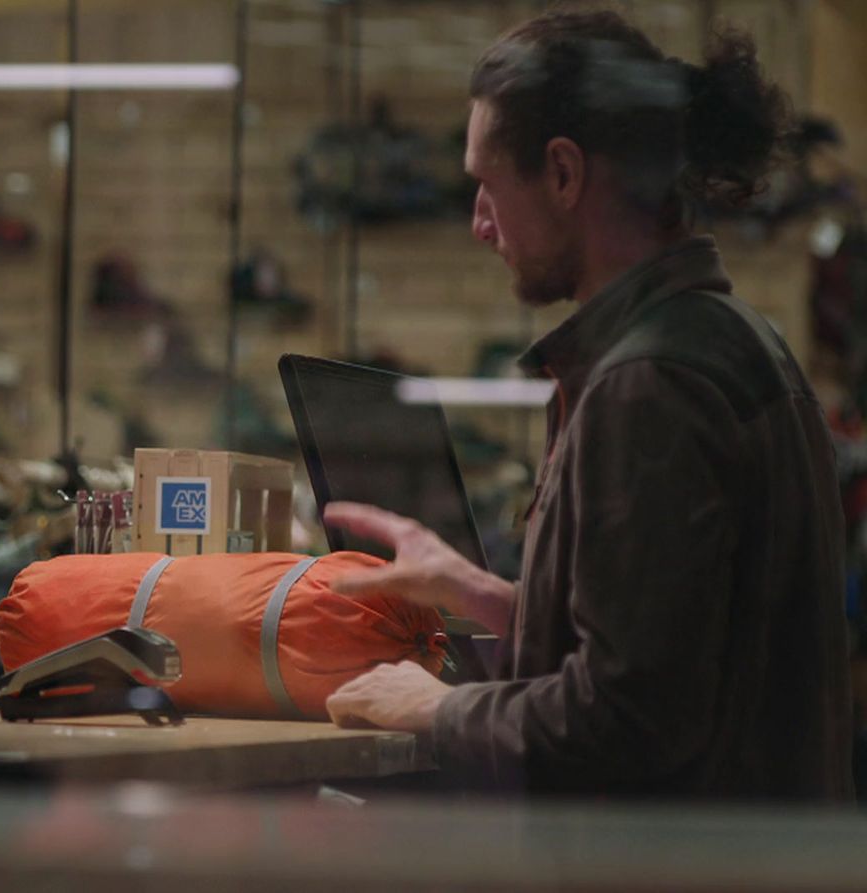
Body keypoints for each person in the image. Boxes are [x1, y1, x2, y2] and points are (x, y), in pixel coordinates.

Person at [322, 11, 855, 800]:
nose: (479, 223)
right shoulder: (728, 339)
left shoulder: (651, 385)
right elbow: (682, 651)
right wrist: (490, 598)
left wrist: (440, 709)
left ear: (565, 175)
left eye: (489, 184)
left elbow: (628, 721)